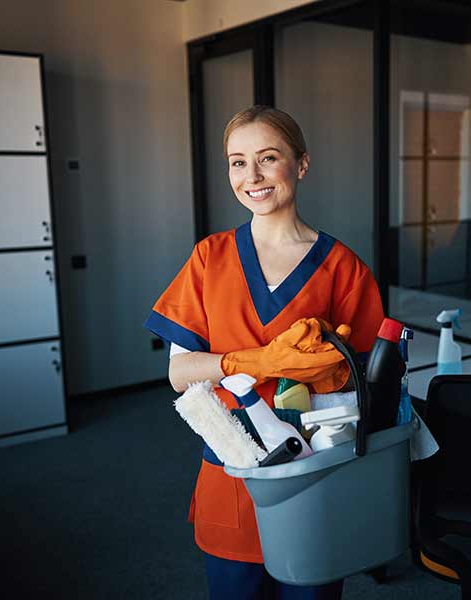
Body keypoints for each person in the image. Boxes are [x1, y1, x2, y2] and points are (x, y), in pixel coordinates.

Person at [144, 106, 384, 599]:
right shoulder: (209, 257)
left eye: (268, 157)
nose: (250, 176)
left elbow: (370, 387)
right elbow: (179, 373)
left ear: (301, 164)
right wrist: (254, 361)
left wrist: (330, 373)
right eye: (237, 162)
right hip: (232, 467)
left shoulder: (344, 269)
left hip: (314, 474)